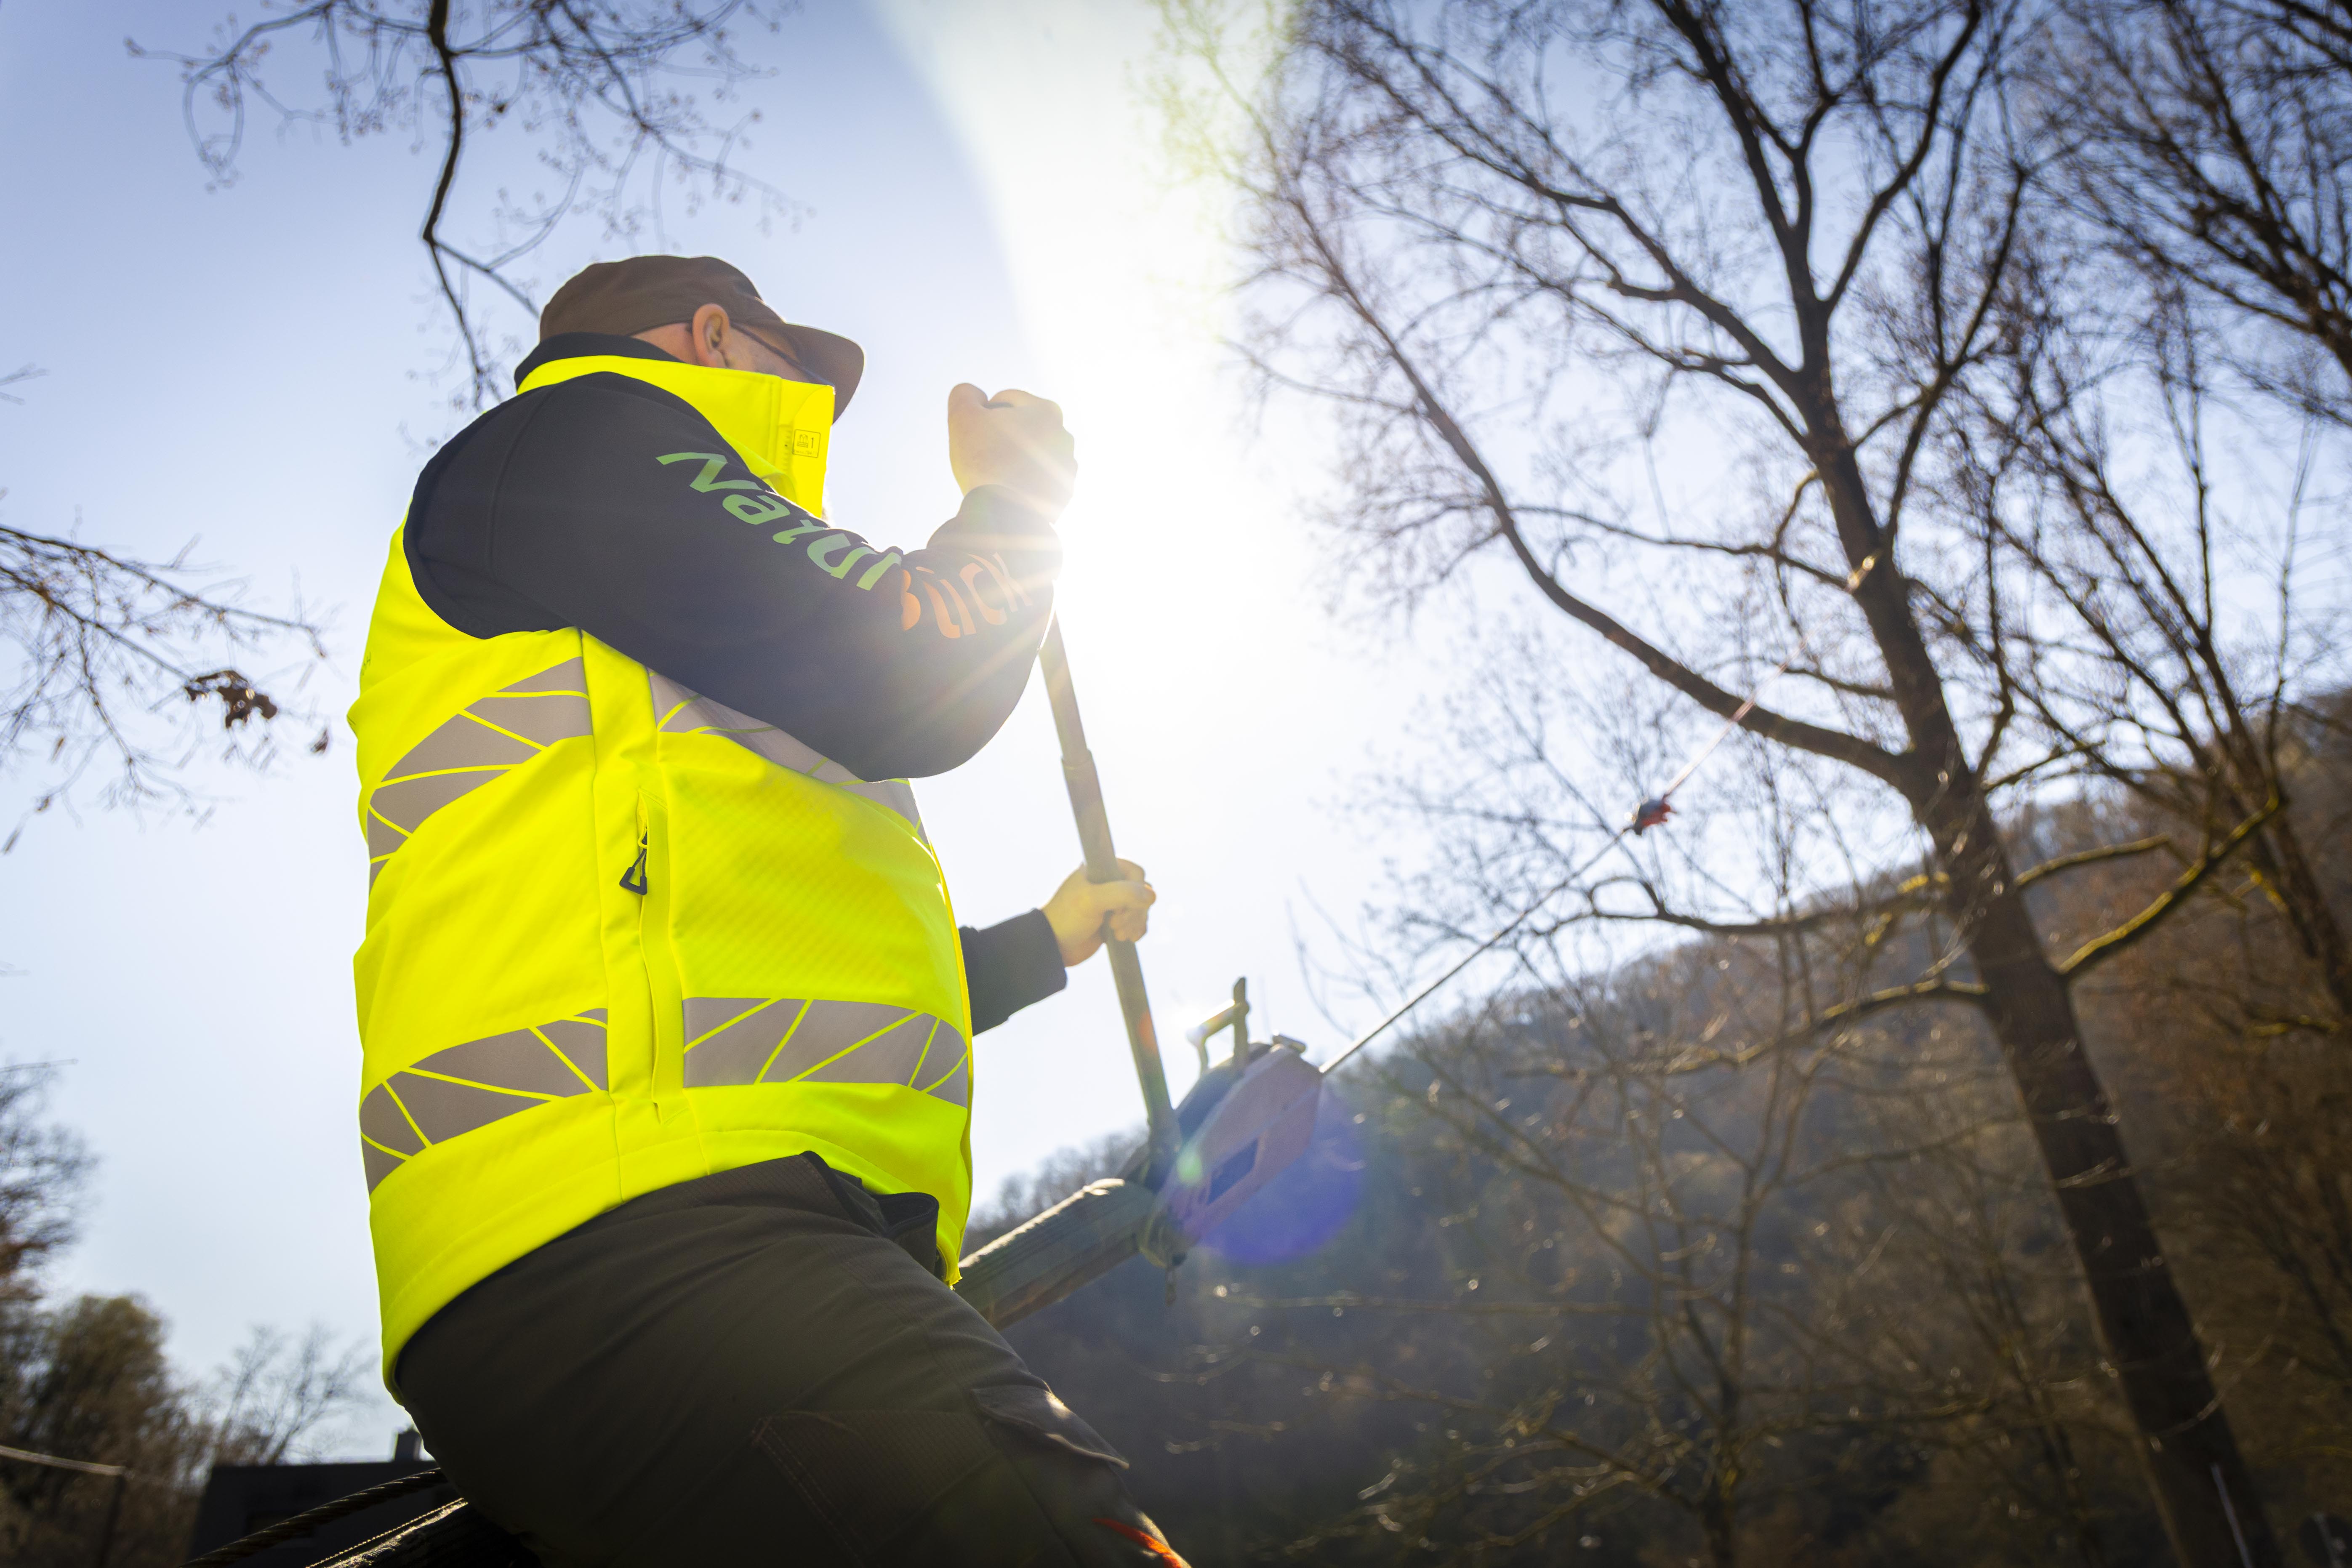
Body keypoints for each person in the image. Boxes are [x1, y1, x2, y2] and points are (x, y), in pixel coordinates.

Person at [349, 254, 1188, 1565]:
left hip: (663, 1241)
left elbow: (783, 974)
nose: (815, 415)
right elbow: (912, 665)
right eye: (795, 372)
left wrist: (1045, 941)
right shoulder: (578, 439)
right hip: (658, 1237)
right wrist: (1016, 502)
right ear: (710, 335)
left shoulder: (660, 605)